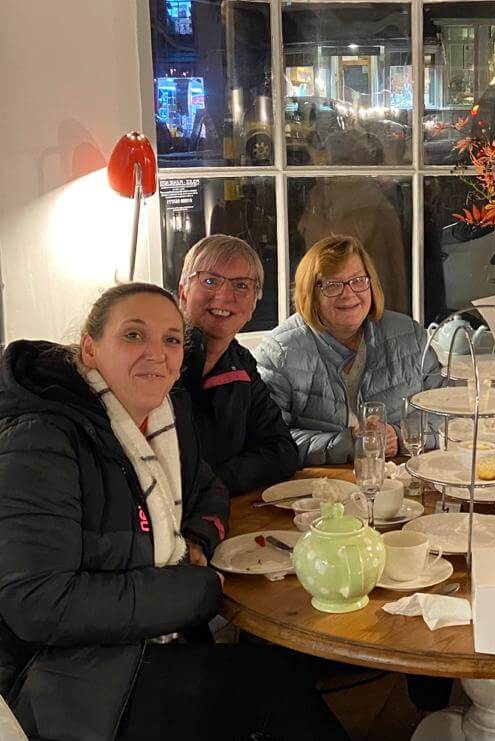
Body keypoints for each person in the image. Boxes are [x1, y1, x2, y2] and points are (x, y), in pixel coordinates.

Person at [0, 283, 348, 741]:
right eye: (133, 335)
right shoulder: (41, 436)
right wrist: (193, 590)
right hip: (69, 685)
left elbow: (208, 488)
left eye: (169, 339)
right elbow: (39, 605)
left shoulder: (161, 416)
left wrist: (199, 542)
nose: (156, 353)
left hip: (141, 648)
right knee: (274, 690)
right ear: (89, 348)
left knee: (280, 673)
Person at [255, 235, 440, 465]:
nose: (349, 294)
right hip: (318, 490)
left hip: (402, 480)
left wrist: (399, 434)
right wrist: (345, 443)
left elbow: (450, 414)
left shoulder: (410, 335)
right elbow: (268, 441)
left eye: (358, 280)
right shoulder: (279, 351)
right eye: (332, 285)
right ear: (311, 294)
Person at [177, 234, 299, 495]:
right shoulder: (158, 359)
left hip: (218, 511)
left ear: (254, 304)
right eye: (210, 281)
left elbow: (282, 451)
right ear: (183, 292)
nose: (224, 296)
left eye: (241, 285)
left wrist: (215, 483)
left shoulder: (240, 364)